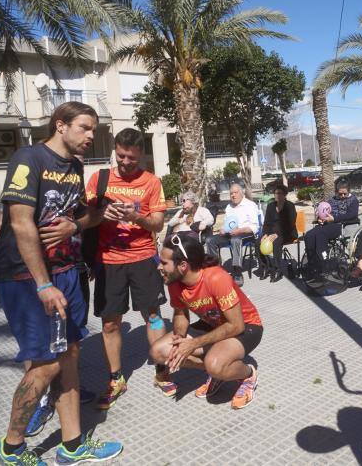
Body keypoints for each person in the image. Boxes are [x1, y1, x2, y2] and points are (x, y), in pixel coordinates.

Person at [0, 101, 122, 465]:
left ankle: (73, 444)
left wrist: (88, 220)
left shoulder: (75, 167)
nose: (91, 136)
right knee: (46, 364)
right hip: (27, 277)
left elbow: (77, 218)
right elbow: (20, 222)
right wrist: (43, 284)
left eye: (93, 129)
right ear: (60, 125)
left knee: (69, 357)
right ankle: (10, 448)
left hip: (67, 271)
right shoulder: (28, 158)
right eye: (84, 128)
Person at [86, 127, 168, 409]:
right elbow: (84, 218)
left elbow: (157, 223)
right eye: (121, 155)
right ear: (116, 150)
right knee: (110, 323)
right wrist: (100, 214)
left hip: (143, 258)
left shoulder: (151, 182)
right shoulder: (100, 179)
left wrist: (136, 216)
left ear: (140, 155)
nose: (125, 162)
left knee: (154, 315)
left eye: (131, 158)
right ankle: (116, 378)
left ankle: (161, 370)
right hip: (109, 262)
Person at [152, 234, 262, 407]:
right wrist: (180, 338)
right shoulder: (174, 281)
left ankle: (247, 374)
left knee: (215, 364)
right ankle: (220, 371)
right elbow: (180, 314)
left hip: (246, 326)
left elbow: (236, 325)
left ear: (183, 265)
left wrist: (194, 344)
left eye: (164, 263)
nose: (159, 266)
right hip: (214, 324)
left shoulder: (216, 278)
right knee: (159, 351)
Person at [204, 183, 260, 286]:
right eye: (231, 193)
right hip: (230, 233)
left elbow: (254, 227)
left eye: (235, 192)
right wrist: (223, 229)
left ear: (241, 193)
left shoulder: (250, 205)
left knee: (236, 239)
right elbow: (227, 223)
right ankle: (215, 271)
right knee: (209, 240)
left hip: (246, 233)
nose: (233, 195)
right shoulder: (229, 207)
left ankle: (237, 272)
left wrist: (239, 230)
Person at [303, 180, 359, 279]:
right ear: (336, 192)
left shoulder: (353, 200)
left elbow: (352, 215)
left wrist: (334, 219)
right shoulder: (331, 200)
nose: (342, 196)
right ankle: (312, 263)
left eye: (344, 194)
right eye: (339, 194)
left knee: (321, 234)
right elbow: (323, 212)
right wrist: (320, 219)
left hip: (341, 224)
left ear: (349, 191)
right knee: (309, 235)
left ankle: (324, 263)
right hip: (327, 223)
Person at [256, 184, 297, 282]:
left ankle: (278, 270)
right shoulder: (271, 206)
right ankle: (265, 267)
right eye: (275, 193)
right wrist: (265, 234)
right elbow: (266, 223)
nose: (277, 195)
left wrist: (277, 234)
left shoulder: (290, 206)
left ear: (285, 194)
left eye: (280, 193)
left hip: (287, 233)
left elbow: (290, 225)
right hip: (271, 233)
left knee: (276, 242)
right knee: (257, 242)